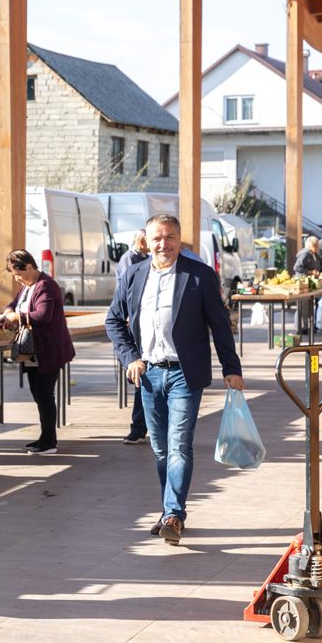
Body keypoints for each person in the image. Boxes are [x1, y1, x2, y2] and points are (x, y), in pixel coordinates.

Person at [106, 215, 244, 546]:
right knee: (161, 448)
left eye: (169, 237)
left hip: (185, 372)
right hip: (149, 374)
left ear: (179, 239)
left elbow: (220, 324)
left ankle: (172, 514)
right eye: (157, 238)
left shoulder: (199, 275)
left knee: (179, 443)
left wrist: (231, 367)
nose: (163, 244)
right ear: (146, 242)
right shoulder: (133, 274)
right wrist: (131, 357)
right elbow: (114, 320)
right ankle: (170, 510)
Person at [0, 249, 75, 455]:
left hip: (48, 349)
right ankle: (45, 437)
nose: (17, 279)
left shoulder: (46, 285)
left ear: (29, 267)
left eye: (18, 274)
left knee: (44, 394)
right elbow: (13, 304)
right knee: (38, 393)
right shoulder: (28, 286)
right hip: (34, 351)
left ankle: (49, 442)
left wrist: (17, 317)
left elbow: (43, 315)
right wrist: (8, 312)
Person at [115, 229, 150, 446]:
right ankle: (138, 428)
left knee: (143, 384)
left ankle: (140, 428)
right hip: (136, 328)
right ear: (143, 240)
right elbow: (128, 294)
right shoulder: (130, 260)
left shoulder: (145, 258)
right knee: (141, 383)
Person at [294, 236, 322, 334]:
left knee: (309, 305)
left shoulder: (314, 255)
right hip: (302, 282)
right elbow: (297, 267)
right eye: (315, 246)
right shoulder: (305, 254)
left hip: (309, 283)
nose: (317, 248)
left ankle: (309, 326)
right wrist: (310, 272)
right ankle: (304, 327)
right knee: (304, 305)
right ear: (309, 246)